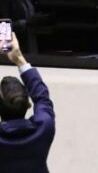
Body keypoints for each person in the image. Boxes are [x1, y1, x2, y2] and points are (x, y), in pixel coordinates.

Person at [0, 33, 55, 173]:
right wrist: (19, 58)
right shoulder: (44, 128)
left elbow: (41, 97)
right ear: (28, 103)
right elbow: (42, 97)